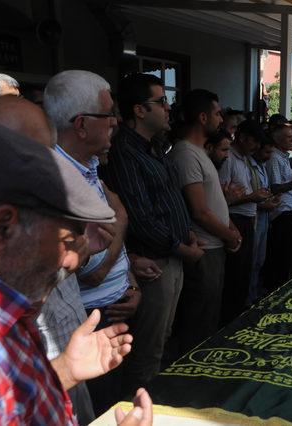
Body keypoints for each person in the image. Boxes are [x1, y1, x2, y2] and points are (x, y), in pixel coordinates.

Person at [0, 123, 151, 425]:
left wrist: (64, 370)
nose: (71, 261)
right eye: (66, 242)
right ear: (3, 227)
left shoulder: (14, 315)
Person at [44, 69, 143, 415]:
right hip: (89, 325)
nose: (116, 121)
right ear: (82, 125)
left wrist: (129, 279)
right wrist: (122, 221)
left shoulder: (89, 166)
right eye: (109, 113)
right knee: (98, 410)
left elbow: (106, 247)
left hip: (113, 310)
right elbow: (89, 270)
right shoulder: (55, 180)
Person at [102, 73, 201, 396]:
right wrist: (180, 246)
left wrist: (186, 234)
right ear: (139, 110)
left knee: (162, 339)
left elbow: (170, 200)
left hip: (171, 257)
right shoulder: (124, 154)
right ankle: (139, 411)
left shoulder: (154, 147)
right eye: (160, 101)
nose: (168, 107)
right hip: (152, 263)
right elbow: (140, 219)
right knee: (146, 352)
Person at [168, 89, 241, 352]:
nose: (221, 119)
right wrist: (229, 234)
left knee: (209, 319)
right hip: (204, 252)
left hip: (215, 248)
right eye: (217, 113)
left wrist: (229, 228)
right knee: (197, 323)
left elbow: (213, 201)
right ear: (202, 117)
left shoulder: (198, 153)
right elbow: (199, 211)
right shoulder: (186, 154)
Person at [218, 119, 271, 323]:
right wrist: (251, 197)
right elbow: (223, 199)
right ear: (242, 138)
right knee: (235, 275)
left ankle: (239, 314)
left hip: (248, 219)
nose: (257, 147)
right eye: (254, 142)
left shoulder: (245, 159)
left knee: (245, 272)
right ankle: (230, 321)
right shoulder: (228, 158)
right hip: (234, 221)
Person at [264, 124, 292, 291]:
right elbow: (275, 187)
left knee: (288, 253)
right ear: (277, 139)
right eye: (289, 137)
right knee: (281, 256)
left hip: (291, 207)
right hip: (282, 212)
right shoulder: (274, 157)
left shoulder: (283, 156)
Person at [249, 139, 281, 303]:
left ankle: (254, 293)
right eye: (266, 152)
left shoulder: (261, 165)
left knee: (259, 259)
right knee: (253, 260)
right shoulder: (251, 165)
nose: (269, 157)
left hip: (263, 217)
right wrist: (264, 204)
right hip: (254, 217)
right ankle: (249, 297)